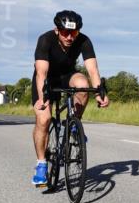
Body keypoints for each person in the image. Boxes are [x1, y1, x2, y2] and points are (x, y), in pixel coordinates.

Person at [31, 10, 109, 186]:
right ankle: (41, 164)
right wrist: (43, 98)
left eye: (73, 33)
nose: (69, 37)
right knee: (44, 119)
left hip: (67, 75)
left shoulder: (84, 40)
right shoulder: (46, 39)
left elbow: (93, 70)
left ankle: (74, 124)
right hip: (46, 79)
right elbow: (41, 73)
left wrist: (99, 93)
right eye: (65, 32)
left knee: (82, 84)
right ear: (57, 30)